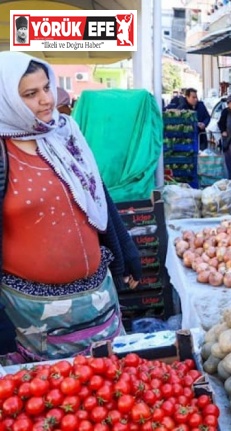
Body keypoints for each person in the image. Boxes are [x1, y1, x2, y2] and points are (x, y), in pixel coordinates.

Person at [0, 52, 141, 362]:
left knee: (111, 383)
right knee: (57, 395)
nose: (46, 100)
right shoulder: (3, 152)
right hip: (35, 313)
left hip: (98, 296)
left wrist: (126, 250)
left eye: (47, 88)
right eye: (30, 94)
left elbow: (97, 195)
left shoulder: (65, 135)